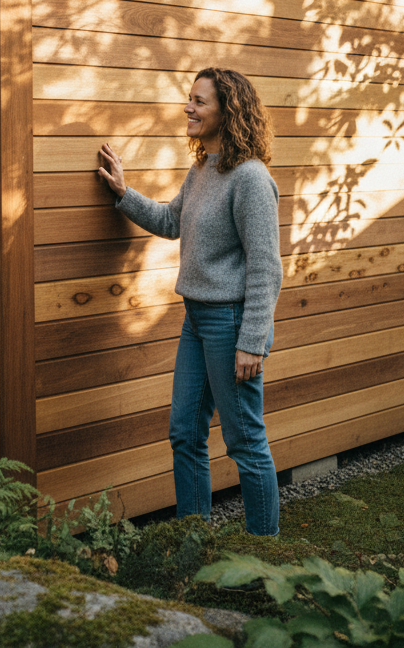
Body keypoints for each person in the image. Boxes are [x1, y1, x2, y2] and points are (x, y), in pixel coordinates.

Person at [97, 67, 282, 535]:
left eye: (200, 101)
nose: (188, 108)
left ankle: (267, 557)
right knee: (184, 435)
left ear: (228, 111)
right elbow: (170, 220)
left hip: (232, 322)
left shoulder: (251, 179)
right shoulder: (203, 169)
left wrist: (252, 342)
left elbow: (266, 267)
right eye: (190, 99)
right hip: (196, 320)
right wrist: (123, 193)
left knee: (245, 443)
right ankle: (192, 547)